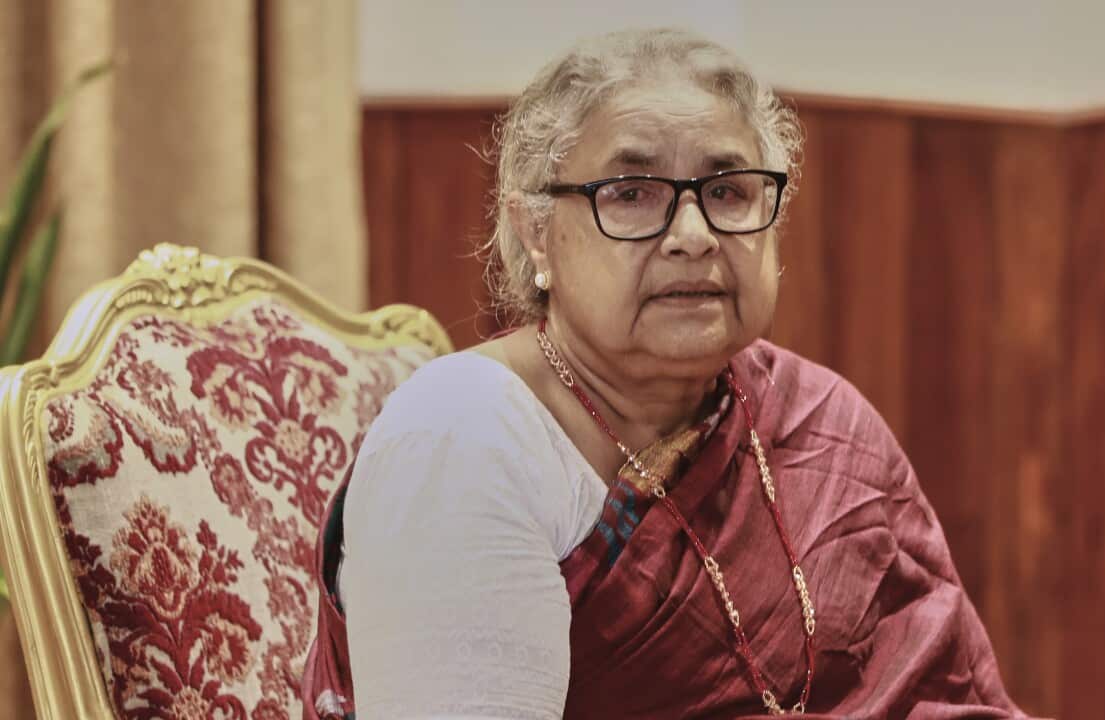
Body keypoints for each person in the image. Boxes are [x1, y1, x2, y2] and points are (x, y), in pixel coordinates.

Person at [304, 27, 1028, 720]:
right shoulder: (462, 439)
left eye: (728, 192)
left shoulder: (818, 418)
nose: (692, 235)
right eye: (630, 193)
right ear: (536, 235)